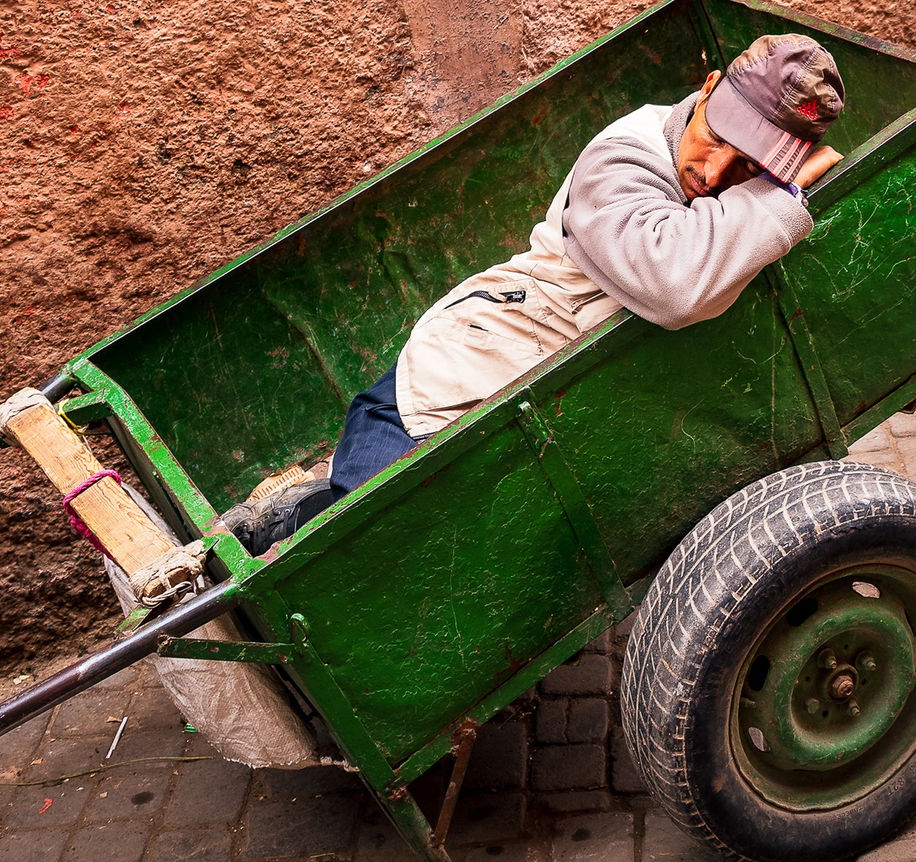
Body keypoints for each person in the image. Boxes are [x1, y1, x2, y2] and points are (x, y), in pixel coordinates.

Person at [223, 33, 846, 554]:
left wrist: (772, 185)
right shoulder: (623, 158)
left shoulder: (719, 176)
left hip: (529, 384)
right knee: (367, 539)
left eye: (749, 165)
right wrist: (775, 194)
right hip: (463, 373)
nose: (714, 175)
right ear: (707, 87)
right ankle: (292, 510)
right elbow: (678, 287)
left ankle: (318, 494)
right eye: (718, 140)